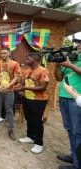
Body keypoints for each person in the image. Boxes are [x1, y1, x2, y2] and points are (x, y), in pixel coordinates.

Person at [55, 40, 81, 169]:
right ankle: (74, 156)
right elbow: (59, 78)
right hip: (64, 97)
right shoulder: (71, 57)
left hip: (77, 100)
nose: (79, 46)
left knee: (78, 132)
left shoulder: (74, 61)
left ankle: (77, 165)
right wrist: (57, 64)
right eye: (79, 44)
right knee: (70, 129)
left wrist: (71, 66)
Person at [16, 53, 49, 154]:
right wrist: (20, 89)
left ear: (35, 60)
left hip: (39, 100)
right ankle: (30, 137)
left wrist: (25, 88)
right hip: (27, 98)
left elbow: (43, 87)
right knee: (29, 119)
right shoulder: (27, 71)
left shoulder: (43, 71)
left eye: (28, 59)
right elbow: (25, 84)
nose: (26, 60)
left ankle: (39, 143)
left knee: (37, 121)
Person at [0, 47, 20, 140]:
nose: (3, 55)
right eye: (1, 53)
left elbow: (16, 77)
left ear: (9, 53)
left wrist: (8, 85)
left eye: (5, 53)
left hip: (9, 91)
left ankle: (11, 130)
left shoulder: (15, 64)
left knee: (9, 110)